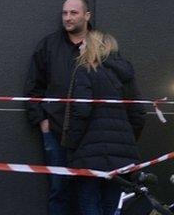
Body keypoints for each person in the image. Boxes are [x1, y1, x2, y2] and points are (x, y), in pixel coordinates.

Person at [62, 31, 145, 215]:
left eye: (84, 43)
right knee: (112, 203)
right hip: (122, 154)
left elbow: (81, 112)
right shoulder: (126, 74)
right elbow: (138, 113)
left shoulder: (85, 70)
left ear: (93, 46)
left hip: (90, 152)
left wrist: (71, 145)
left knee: (88, 199)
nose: (80, 46)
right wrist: (126, 141)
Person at [24, 0, 92, 215]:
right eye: (65, 13)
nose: (68, 18)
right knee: (58, 189)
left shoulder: (100, 46)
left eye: (74, 13)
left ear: (87, 16)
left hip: (91, 134)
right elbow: (33, 87)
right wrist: (42, 121)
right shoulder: (49, 45)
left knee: (89, 193)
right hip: (55, 131)